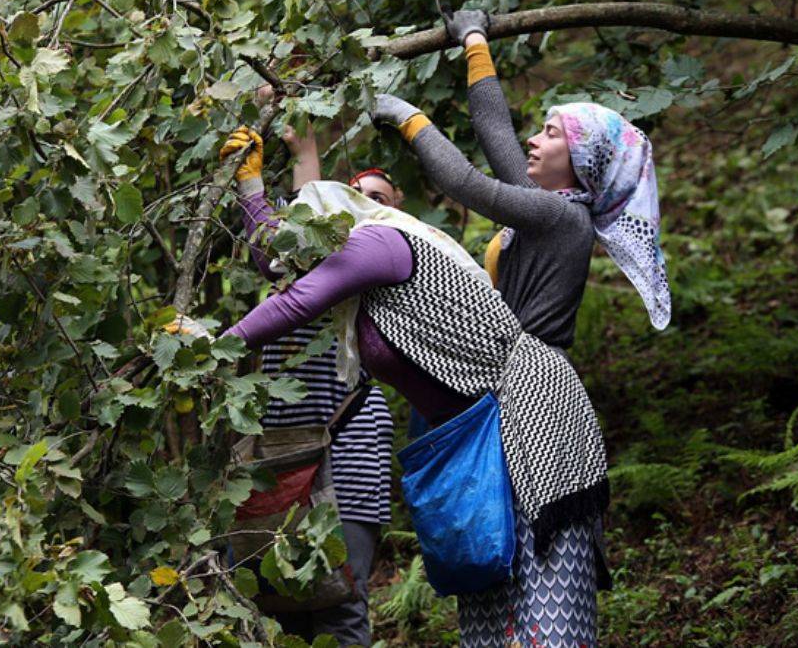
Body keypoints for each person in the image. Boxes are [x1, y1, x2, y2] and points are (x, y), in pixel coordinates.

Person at [224, 179, 610, 647]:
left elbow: (298, 300)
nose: (302, 257)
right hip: (472, 432)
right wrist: (250, 186)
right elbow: (279, 263)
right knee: (487, 587)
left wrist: (212, 348)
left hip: (531, 417)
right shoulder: (357, 274)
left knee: (545, 600)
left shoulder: (378, 240)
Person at [374, 9, 672, 350]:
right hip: (519, 366)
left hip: (534, 379)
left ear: (582, 158)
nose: (533, 140)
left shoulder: (559, 215)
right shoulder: (557, 206)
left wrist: (406, 117)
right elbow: (494, 127)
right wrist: (474, 39)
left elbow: (464, 182)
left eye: (551, 134)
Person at [218, 125, 398, 647]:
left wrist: (260, 183)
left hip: (347, 444)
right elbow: (298, 237)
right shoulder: (314, 255)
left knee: (340, 606)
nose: (361, 205)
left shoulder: (375, 251)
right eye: (350, 195)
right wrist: (300, 150)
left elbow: (288, 252)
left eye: (376, 199)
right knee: (276, 608)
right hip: (278, 454)